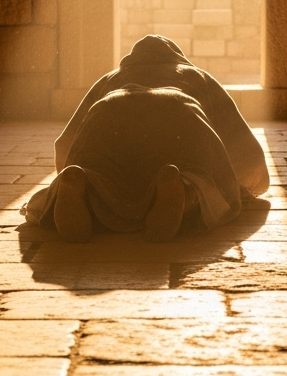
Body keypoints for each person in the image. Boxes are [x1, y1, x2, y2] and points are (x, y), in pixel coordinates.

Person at [23, 35, 269, 242]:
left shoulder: (111, 78)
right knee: (203, 184)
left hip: (110, 107)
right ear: (177, 58)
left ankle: (82, 187)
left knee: (96, 177)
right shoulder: (197, 76)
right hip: (178, 107)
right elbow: (247, 158)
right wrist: (249, 184)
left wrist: (69, 171)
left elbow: (65, 145)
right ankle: (183, 192)